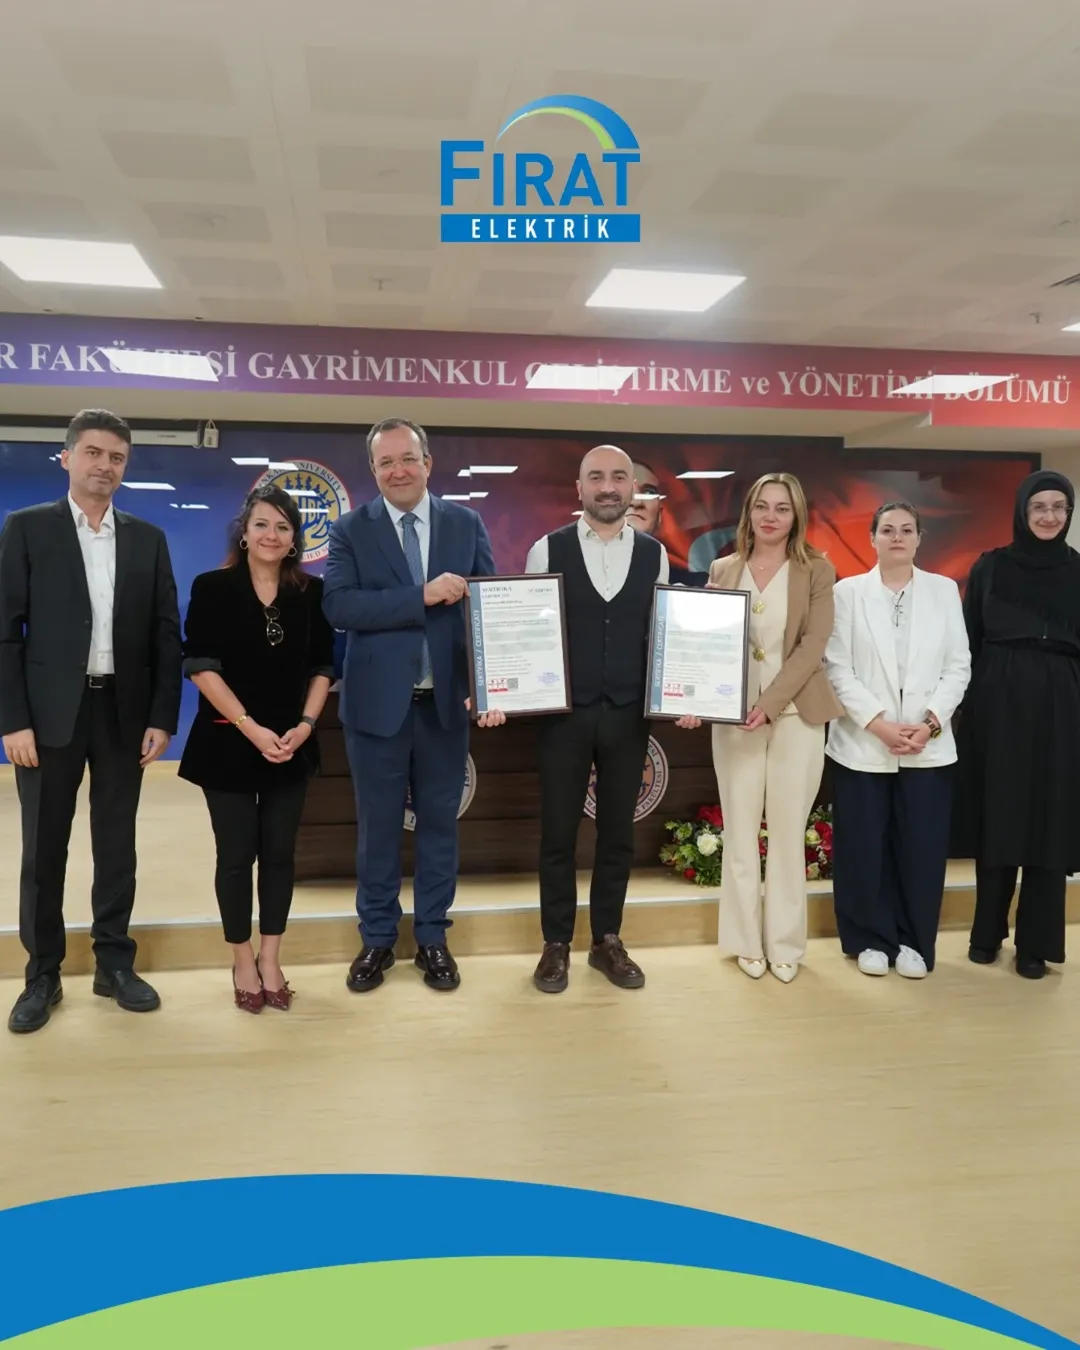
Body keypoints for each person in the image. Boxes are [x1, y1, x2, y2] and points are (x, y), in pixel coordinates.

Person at [0, 408, 181, 1034]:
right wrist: (13, 720)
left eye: (117, 457)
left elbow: (165, 635)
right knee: (43, 849)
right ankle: (42, 974)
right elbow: (5, 633)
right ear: (68, 457)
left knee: (116, 843)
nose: (105, 466)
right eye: (94, 453)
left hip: (123, 714)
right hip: (49, 716)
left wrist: (162, 716)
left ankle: (114, 963)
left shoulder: (147, 538)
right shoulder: (27, 529)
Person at [484, 445, 671, 994]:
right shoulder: (547, 548)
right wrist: (501, 686)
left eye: (618, 477)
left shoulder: (655, 555)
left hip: (628, 715)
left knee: (617, 835)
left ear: (632, 487)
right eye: (597, 477)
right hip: (563, 717)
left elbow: (660, 635)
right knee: (558, 833)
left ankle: (607, 939)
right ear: (580, 488)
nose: (608, 486)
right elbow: (525, 633)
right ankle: (556, 943)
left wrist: (681, 695)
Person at [323, 417, 495, 994]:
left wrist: (486, 682)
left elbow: (486, 609)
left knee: (440, 827)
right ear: (373, 470)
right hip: (376, 710)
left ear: (428, 462)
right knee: (377, 830)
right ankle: (376, 939)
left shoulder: (465, 523)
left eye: (407, 459)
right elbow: (341, 607)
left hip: (444, 707)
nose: (398, 470)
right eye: (385, 462)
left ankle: (432, 939)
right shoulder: (350, 529)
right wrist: (422, 595)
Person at [178, 486, 334, 1012]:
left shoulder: (311, 592)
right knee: (236, 855)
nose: (272, 535)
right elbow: (201, 666)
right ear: (244, 533)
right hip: (228, 744)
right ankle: (242, 958)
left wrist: (306, 725)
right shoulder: (213, 587)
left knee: (280, 855)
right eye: (262, 524)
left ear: (295, 540)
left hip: (291, 746)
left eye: (283, 527)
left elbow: (323, 666)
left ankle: (271, 957)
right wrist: (251, 728)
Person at [691, 472, 842, 983]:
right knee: (739, 831)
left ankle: (784, 944)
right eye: (762, 506)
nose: (771, 516)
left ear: (796, 515)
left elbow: (812, 646)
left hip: (796, 717)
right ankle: (743, 942)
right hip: (735, 718)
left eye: (782, 507)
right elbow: (707, 641)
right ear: (749, 512)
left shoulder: (817, 571)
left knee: (786, 834)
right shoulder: (723, 568)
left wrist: (770, 704)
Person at [823, 503, 971, 979]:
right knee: (863, 845)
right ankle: (868, 938)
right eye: (887, 530)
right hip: (864, 743)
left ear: (919, 538)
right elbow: (837, 668)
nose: (897, 537)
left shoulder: (943, 591)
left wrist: (930, 723)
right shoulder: (847, 593)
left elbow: (958, 666)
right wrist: (879, 724)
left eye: (907, 530)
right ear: (872, 538)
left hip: (928, 745)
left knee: (921, 848)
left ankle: (914, 941)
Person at [953, 470, 1080, 980]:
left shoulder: (1079, 570)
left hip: (1063, 709)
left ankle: (1036, 945)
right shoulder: (991, 567)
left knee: (1050, 823)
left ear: (1069, 513)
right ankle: (986, 934)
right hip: (998, 705)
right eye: (1039, 507)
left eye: (1059, 507)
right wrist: (967, 707)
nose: (1049, 516)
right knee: (999, 818)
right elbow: (968, 640)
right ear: (1022, 512)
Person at [627, 460, 708, 587]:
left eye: (648, 492)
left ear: (659, 515)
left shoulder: (696, 585)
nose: (636, 502)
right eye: (625, 490)